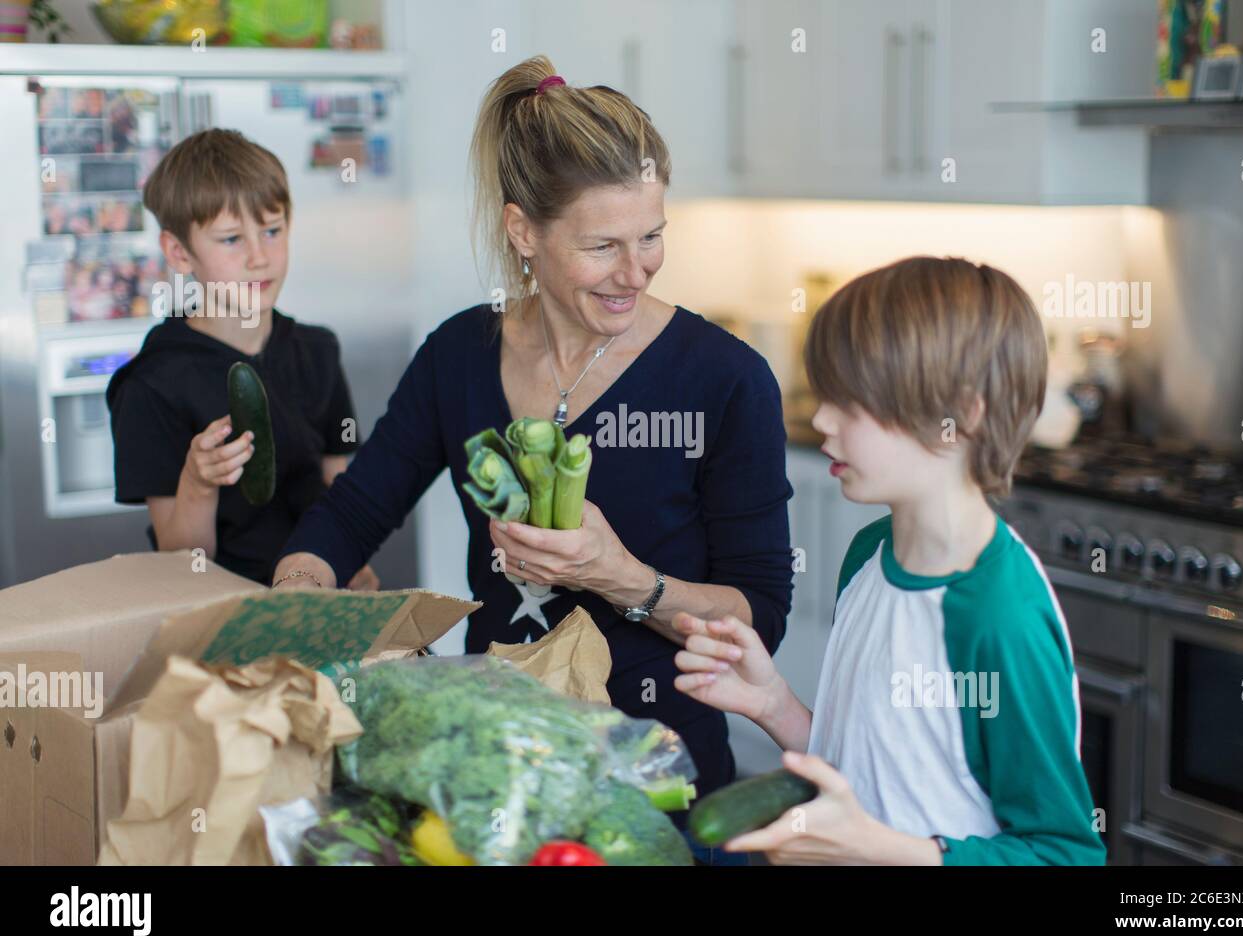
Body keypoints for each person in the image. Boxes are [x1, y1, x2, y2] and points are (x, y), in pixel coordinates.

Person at [272, 57, 794, 859]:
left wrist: (617, 574)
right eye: (602, 246)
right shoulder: (458, 354)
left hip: (661, 789)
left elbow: (760, 616)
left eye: (652, 237)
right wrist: (297, 602)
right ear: (525, 232)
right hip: (494, 776)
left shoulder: (725, 379)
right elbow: (352, 513)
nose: (636, 271)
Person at [674, 257, 1106, 865]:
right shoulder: (868, 555)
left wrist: (890, 852)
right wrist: (772, 701)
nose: (822, 419)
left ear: (964, 414)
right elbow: (875, 766)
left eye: (853, 402)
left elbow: (1065, 853)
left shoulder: (996, 614)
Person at [106, 128, 378, 589]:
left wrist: (355, 560)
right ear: (178, 252)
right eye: (231, 239)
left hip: (323, 596)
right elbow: (184, 559)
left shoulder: (318, 351)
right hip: (222, 614)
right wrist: (199, 480)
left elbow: (338, 484)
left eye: (272, 230)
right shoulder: (152, 383)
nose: (259, 257)